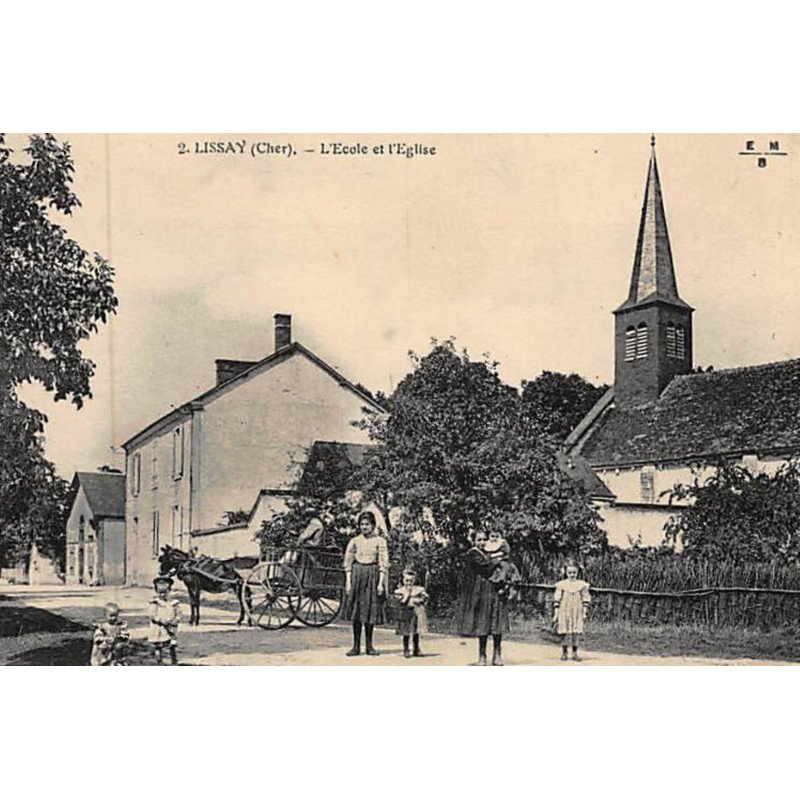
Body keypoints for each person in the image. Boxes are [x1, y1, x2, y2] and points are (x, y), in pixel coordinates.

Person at [455, 530, 509, 666]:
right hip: (481, 589)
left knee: (497, 620)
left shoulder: (490, 551)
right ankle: (482, 654)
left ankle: (497, 654)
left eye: (484, 539)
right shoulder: (473, 554)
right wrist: (499, 559)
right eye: (479, 540)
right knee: (483, 621)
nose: (482, 542)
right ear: (474, 541)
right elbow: (486, 567)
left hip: (495, 589)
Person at [343, 510, 389, 656]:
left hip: (372, 575)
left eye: (367, 524)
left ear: (373, 525)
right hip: (357, 576)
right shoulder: (355, 541)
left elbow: (383, 563)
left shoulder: (380, 541)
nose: (364, 527)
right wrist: (348, 582)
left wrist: (381, 583)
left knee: (369, 612)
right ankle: (356, 646)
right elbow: (348, 563)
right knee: (357, 612)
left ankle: (369, 646)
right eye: (362, 524)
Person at [553, 560, 591, 661]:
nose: (572, 575)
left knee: (575, 631)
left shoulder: (581, 585)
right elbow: (557, 599)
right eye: (569, 573)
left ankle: (575, 652)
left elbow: (585, 598)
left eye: (574, 572)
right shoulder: (562, 585)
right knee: (564, 630)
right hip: (564, 610)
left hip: (577, 610)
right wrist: (556, 613)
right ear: (566, 572)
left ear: (578, 572)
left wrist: (584, 611)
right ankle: (564, 652)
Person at [392, 567, 429, 658]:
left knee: (416, 631)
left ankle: (416, 649)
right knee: (406, 631)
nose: (409, 583)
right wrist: (407, 594)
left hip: (416, 612)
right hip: (405, 613)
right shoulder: (400, 591)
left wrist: (420, 600)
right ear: (403, 580)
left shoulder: (419, 589)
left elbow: (425, 598)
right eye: (407, 580)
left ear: (414, 581)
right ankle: (406, 649)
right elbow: (402, 601)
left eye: (411, 581)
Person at [149, 575, 181, 665]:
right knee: (159, 646)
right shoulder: (155, 603)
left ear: (169, 591)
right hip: (159, 628)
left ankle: (174, 661)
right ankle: (159, 661)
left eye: (165, 592)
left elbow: (178, 613)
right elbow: (152, 615)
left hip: (170, 628)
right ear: (156, 591)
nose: (162, 595)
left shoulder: (173, 603)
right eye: (160, 592)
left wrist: (176, 619)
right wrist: (159, 620)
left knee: (172, 645)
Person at [485, 531, 522, 601]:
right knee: (500, 568)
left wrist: (501, 556)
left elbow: (506, 552)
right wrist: (495, 556)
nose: (494, 538)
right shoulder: (487, 545)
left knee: (510, 567)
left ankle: (510, 587)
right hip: (492, 563)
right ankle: (503, 586)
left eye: (497, 537)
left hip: (502, 561)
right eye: (492, 536)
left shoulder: (502, 544)